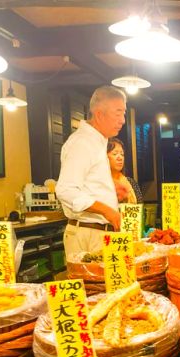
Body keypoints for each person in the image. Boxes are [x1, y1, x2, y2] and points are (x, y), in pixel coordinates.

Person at [56, 85, 126, 257]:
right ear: (99, 114)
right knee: (92, 284)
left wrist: (109, 189)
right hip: (87, 234)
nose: (123, 120)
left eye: (123, 114)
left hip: (98, 233)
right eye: (118, 114)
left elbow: (86, 183)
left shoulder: (98, 141)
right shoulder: (83, 142)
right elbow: (65, 190)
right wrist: (106, 209)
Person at [107, 137, 143, 204]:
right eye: (115, 154)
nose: (120, 158)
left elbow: (140, 208)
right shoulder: (101, 183)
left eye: (122, 154)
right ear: (105, 157)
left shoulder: (131, 182)